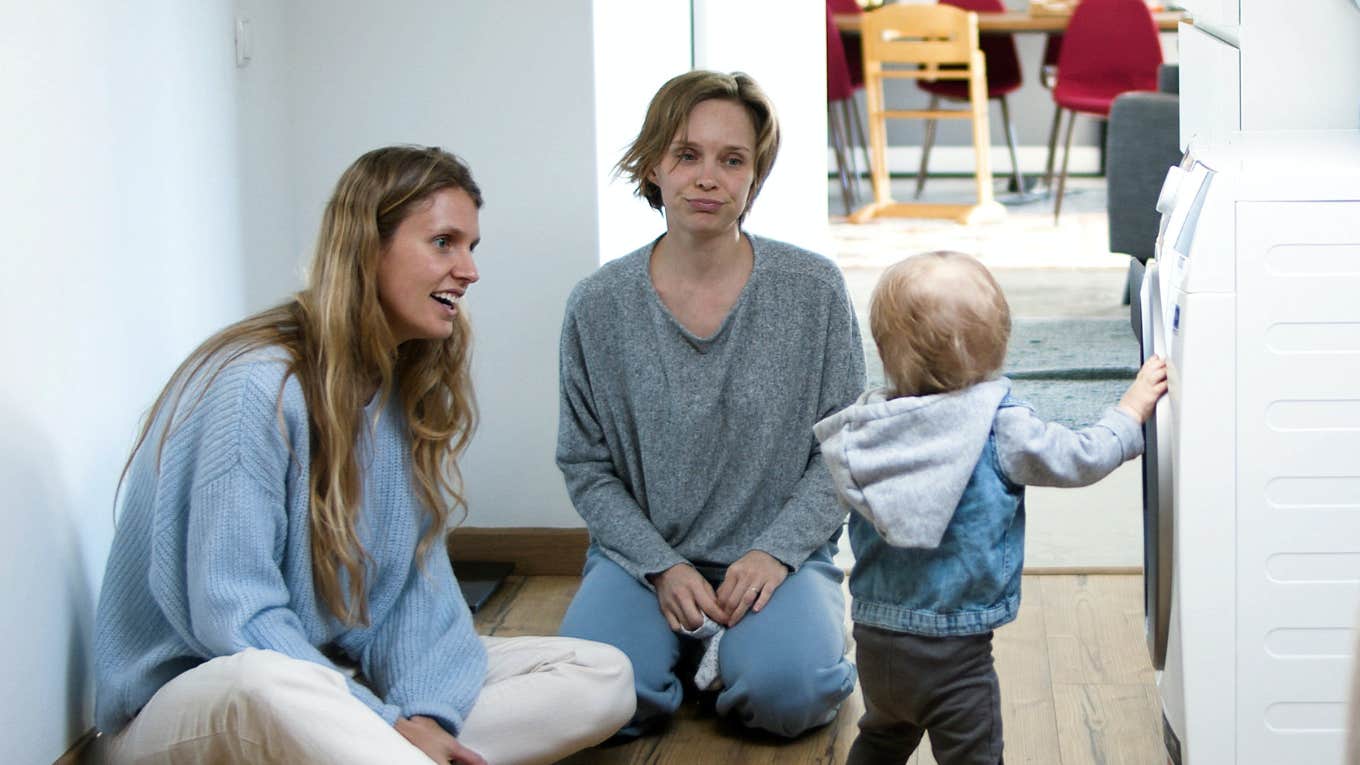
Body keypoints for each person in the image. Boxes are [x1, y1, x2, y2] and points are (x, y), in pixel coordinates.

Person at [93, 145, 635, 765]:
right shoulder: (254, 388)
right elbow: (234, 620)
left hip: (333, 690)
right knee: (267, 680)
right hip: (204, 705)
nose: (469, 270)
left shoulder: (398, 386)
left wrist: (424, 714)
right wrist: (382, 720)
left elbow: (414, 595)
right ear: (367, 249)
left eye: (472, 247)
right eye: (444, 243)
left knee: (600, 674)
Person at [554, 70, 865, 739]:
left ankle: (754, 655)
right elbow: (584, 463)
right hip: (641, 563)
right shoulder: (597, 305)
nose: (707, 176)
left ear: (755, 177)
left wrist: (777, 553)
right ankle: (695, 658)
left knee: (789, 693)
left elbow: (843, 448)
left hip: (775, 565)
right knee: (593, 702)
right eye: (687, 154)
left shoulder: (814, 289)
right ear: (653, 165)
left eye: (733, 160)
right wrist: (660, 564)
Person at [813, 250, 1168, 765]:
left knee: (884, 734)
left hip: (875, 634)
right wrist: (1129, 412)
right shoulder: (1000, 426)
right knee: (973, 754)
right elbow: (1079, 459)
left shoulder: (867, 428)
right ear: (996, 347)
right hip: (956, 649)